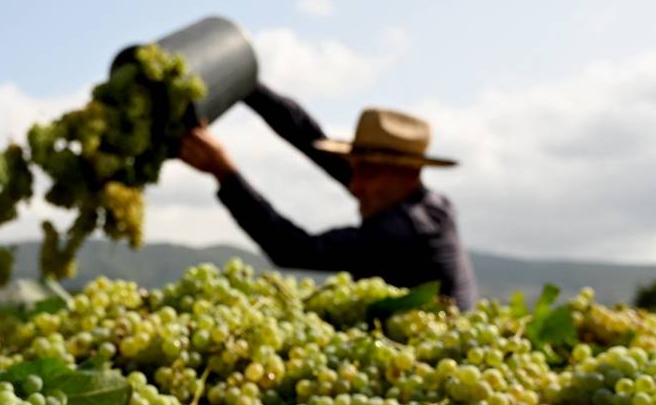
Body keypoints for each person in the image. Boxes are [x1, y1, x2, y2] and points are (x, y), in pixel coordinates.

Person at [179, 83, 477, 310]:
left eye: (367, 173)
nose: (355, 185)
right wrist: (247, 86)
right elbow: (311, 139)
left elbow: (293, 249)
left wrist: (224, 173)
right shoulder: (433, 205)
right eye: (355, 170)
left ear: (408, 175)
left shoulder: (402, 232)